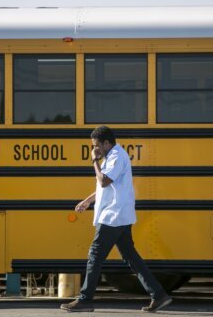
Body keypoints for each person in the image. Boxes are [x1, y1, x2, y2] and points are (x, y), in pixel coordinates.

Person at [60, 125, 172, 313]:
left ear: (106, 143)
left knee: (95, 255)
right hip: (118, 215)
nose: (94, 149)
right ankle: (159, 295)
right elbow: (105, 186)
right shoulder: (112, 157)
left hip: (113, 216)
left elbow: (104, 180)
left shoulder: (117, 157)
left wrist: (94, 161)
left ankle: (85, 300)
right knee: (131, 257)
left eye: (96, 145)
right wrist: (88, 201)